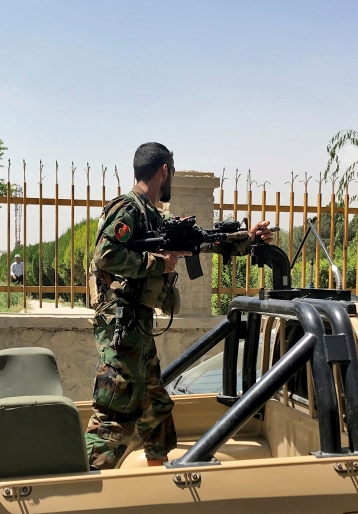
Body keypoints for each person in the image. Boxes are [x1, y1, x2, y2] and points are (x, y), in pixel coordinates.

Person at [84, 142, 273, 470]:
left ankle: (160, 480)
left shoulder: (154, 215)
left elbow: (203, 240)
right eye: (170, 172)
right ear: (164, 171)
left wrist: (248, 239)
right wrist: (158, 264)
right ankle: (87, 483)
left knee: (154, 407)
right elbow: (106, 254)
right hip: (121, 325)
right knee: (115, 410)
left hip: (137, 324)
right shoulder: (126, 207)